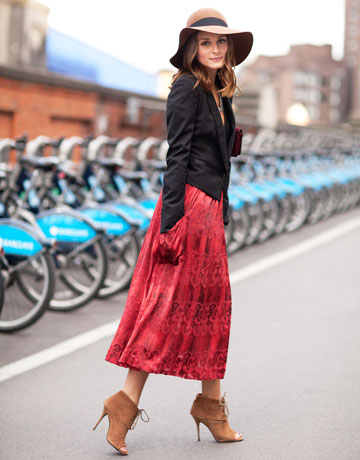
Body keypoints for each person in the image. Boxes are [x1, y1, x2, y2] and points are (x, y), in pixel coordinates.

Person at [93, 8, 253, 456]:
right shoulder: (186, 88)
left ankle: (211, 407)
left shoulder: (220, 93)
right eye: (206, 43)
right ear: (191, 49)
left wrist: (220, 211)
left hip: (209, 212)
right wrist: (170, 226)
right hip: (186, 212)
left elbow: (221, 158)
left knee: (212, 308)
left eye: (222, 43)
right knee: (166, 309)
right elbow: (176, 157)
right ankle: (123, 405)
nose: (216, 49)